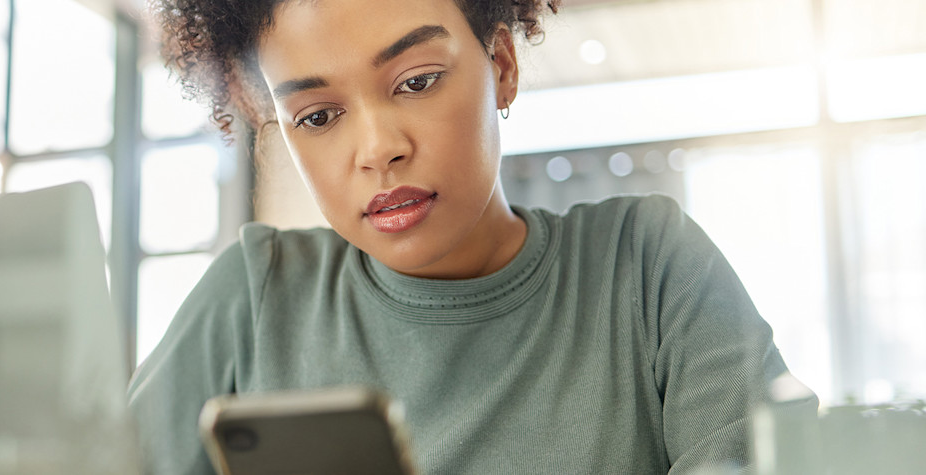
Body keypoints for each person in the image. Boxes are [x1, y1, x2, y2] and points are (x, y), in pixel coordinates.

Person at [127, 0, 806, 473]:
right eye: (317, 115)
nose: (377, 148)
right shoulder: (253, 297)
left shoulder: (647, 266)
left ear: (501, 66)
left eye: (416, 81)